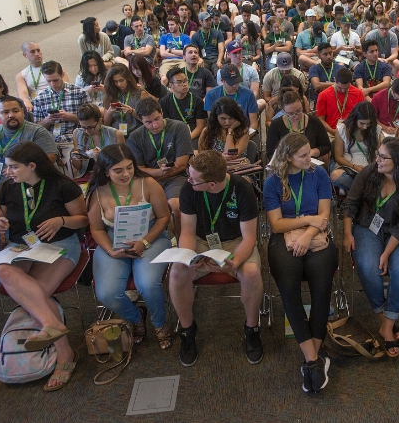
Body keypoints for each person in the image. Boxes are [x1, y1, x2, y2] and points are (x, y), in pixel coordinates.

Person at [0, 141, 87, 390]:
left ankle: (64, 353)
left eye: (13, 167)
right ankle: (53, 326)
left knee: (38, 293)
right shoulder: (6, 189)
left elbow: (83, 219)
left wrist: (61, 220)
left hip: (60, 244)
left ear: (32, 166)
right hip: (22, 247)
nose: (7, 172)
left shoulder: (63, 185)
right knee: (2, 270)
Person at [170, 150, 264, 366]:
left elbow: (249, 238)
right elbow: (187, 231)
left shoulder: (242, 189)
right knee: (177, 272)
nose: (188, 180)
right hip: (201, 241)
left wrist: (235, 262)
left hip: (236, 241)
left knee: (251, 273)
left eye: (194, 179)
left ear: (211, 184)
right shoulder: (189, 189)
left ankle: (252, 329)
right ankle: (188, 331)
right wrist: (189, 256)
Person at [264, 133, 338, 394]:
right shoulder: (273, 181)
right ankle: (315, 359)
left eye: (310, 153)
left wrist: (307, 234)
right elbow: (276, 224)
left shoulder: (319, 175)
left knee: (321, 287)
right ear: (288, 158)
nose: (311, 158)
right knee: (289, 287)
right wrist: (308, 221)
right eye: (304, 155)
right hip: (283, 239)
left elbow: (325, 216)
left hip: (315, 237)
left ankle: (311, 360)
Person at [342, 137, 399, 356]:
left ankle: (386, 326)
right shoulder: (369, 173)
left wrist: (386, 253)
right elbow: (350, 204)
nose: (376, 159)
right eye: (377, 154)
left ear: (398, 161)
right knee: (369, 266)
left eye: (382, 156)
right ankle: (385, 319)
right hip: (368, 226)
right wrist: (347, 233)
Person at [86, 144, 173, 350]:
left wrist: (144, 242)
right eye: (118, 170)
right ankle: (136, 317)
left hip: (151, 237)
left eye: (129, 167)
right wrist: (110, 250)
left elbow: (163, 217)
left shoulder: (148, 184)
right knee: (107, 293)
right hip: (113, 241)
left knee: (148, 284)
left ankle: (159, 323)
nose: (126, 174)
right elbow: (96, 229)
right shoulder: (97, 192)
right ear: (105, 171)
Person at [0, 96, 58, 206]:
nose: (11, 115)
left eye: (15, 111)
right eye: (5, 112)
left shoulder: (37, 132)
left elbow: (50, 158)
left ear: (23, 112)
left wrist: (17, 169)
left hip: (28, 184)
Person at [127, 97, 193, 234]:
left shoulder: (179, 127)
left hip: (175, 177)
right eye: (148, 122)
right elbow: (138, 169)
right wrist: (159, 173)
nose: (155, 125)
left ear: (161, 112)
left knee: (175, 206)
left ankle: (181, 241)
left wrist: (162, 173)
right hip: (148, 180)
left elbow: (181, 165)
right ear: (141, 120)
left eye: (157, 119)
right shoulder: (135, 137)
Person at [330, 101, 384, 191]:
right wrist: (353, 166)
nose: (365, 127)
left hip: (369, 167)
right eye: (362, 123)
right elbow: (338, 157)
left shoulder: (376, 129)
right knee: (335, 176)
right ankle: (364, 190)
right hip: (348, 167)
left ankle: (356, 191)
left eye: (368, 124)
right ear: (355, 119)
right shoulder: (343, 129)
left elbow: (380, 153)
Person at [266, 88, 331, 161]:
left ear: (302, 103)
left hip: (309, 162)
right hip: (286, 164)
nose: (296, 116)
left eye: (298, 111)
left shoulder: (314, 121)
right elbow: (270, 153)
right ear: (284, 111)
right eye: (290, 114)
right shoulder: (276, 124)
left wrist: (311, 152)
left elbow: (326, 146)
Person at [34, 61, 89, 143]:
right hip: (50, 141)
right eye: (49, 81)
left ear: (62, 74)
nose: (52, 84)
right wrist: (47, 120)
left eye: (56, 80)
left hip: (74, 138)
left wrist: (71, 117)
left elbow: (90, 121)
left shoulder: (80, 93)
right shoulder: (40, 98)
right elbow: (36, 128)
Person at [70, 103, 125, 175]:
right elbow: (79, 167)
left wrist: (104, 157)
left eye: (90, 127)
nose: (87, 131)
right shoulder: (77, 133)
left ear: (100, 121)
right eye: (83, 127)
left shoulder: (115, 134)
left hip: (110, 174)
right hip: (87, 174)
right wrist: (75, 158)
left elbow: (123, 162)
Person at [160, 67, 207, 149]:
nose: (184, 84)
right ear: (171, 85)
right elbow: (166, 124)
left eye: (185, 81)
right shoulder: (164, 101)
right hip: (173, 133)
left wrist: (187, 138)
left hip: (193, 134)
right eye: (179, 82)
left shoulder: (197, 101)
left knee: (194, 153)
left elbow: (200, 126)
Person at [204, 64, 259, 132]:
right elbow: (212, 122)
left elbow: (254, 123)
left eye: (237, 81)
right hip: (220, 131)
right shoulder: (211, 94)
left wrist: (245, 138)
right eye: (231, 83)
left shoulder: (249, 94)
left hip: (243, 130)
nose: (235, 85)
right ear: (222, 80)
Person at [316, 67, 367, 137]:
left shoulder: (358, 93)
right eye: (340, 87)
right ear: (335, 80)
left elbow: (362, 116)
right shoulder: (324, 95)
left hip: (353, 130)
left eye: (346, 88)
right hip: (331, 131)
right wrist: (333, 132)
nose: (343, 90)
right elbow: (320, 119)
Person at [103, 64, 151, 137]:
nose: (119, 84)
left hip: (135, 134)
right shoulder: (110, 95)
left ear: (128, 78)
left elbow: (148, 119)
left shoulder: (140, 93)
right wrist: (109, 112)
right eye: (115, 81)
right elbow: (106, 125)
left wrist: (132, 111)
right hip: (116, 134)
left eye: (121, 80)